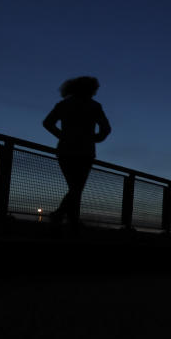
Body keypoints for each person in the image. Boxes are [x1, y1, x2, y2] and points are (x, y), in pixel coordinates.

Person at [42, 76, 111, 228]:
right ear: (90, 89)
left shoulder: (64, 105)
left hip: (65, 150)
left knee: (75, 187)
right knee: (77, 188)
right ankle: (62, 216)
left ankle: (68, 218)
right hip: (85, 151)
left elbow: (47, 123)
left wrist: (63, 136)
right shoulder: (94, 106)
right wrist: (95, 138)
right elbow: (106, 129)